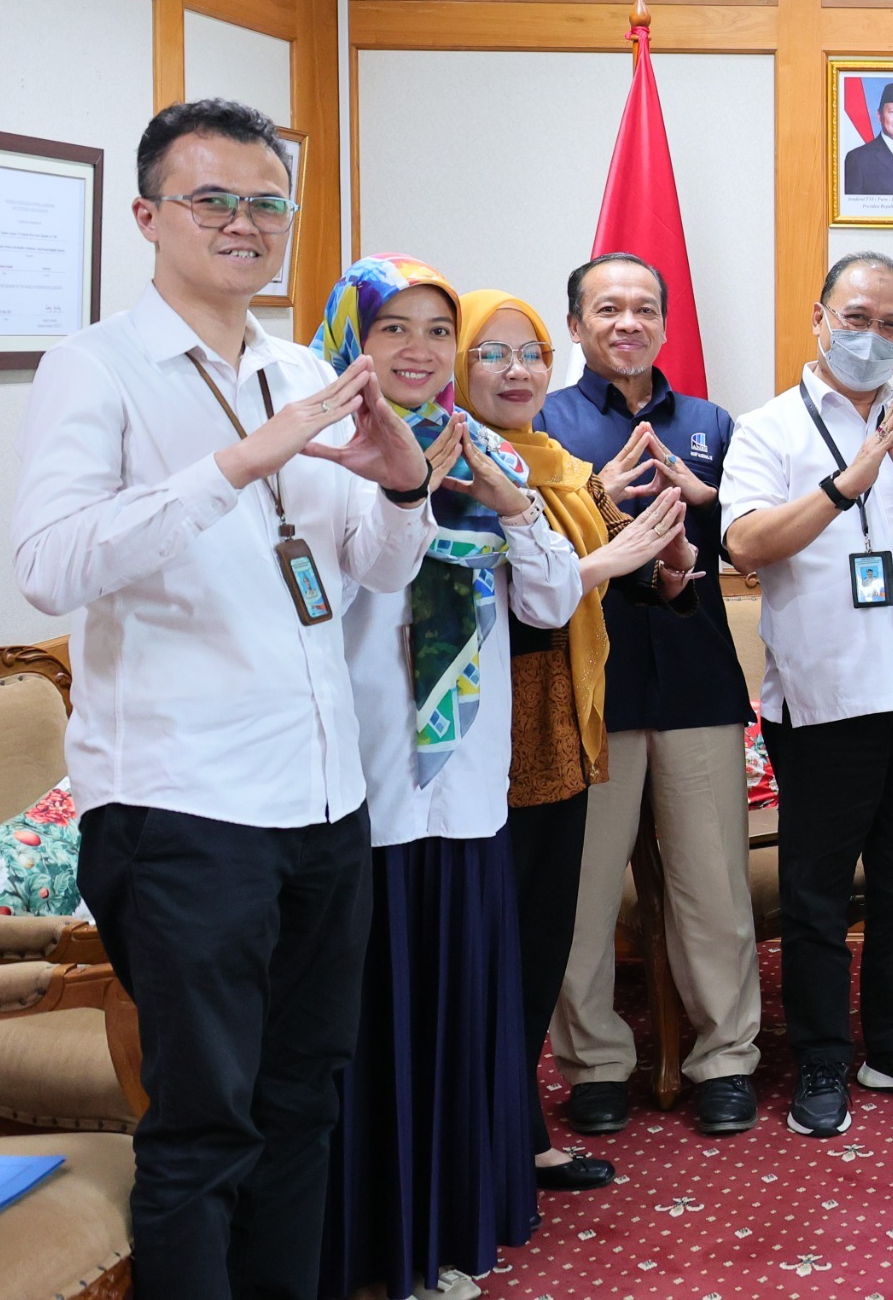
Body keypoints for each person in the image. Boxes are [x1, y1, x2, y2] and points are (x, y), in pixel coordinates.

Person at [12, 99, 434, 1299]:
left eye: (266, 203)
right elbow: (48, 562)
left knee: (304, 1099)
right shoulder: (97, 366)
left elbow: (372, 569)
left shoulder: (300, 369)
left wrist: (404, 489)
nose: (244, 223)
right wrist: (237, 462)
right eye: (213, 200)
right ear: (149, 215)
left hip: (323, 798)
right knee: (205, 1125)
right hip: (184, 806)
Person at [312, 255, 580, 1300]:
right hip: (366, 791)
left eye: (436, 330)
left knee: (458, 1018)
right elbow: (324, 604)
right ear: (352, 342)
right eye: (393, 329)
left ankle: (448, 1229)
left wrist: (510, 502)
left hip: (466, 792)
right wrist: (405, 490)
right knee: (372, 1027)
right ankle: (373, 1243)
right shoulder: (323, 458)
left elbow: (551, 602)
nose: (419, 350)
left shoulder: (483, 452)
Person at [724, 252, 893, 1138]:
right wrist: (846, 485)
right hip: (824, 701)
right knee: (818, 896)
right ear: (819, 318)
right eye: (857, 318)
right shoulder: (768, 430)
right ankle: (822, 1057)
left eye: (892, 325)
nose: (873, 337)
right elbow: (746, 545)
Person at [456, 289, 695, 1194]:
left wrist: (652, 553)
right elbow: (497, 610)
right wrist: (605, 561)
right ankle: (491, 1147)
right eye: (492, 354)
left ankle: (520, 1136)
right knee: (496, 950)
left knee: (537, 944)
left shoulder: (548, 461)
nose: (517, 372)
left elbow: (587, 567)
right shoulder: (452, 463)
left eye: (530, 356)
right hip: (488, 743)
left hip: (561, 731)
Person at [543, 253, 763, 1141]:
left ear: (666, 324)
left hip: (697, 680)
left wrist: (702, 506)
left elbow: (746, 541)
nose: (627, 322)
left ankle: (727, 1059)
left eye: (643, 308)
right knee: (584, 894)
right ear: (576, 325)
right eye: (607, 309)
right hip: (587, 688)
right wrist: (599, 504)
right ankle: (595, 1064)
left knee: (713, 887)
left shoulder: (711, 424)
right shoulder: (544, 423)